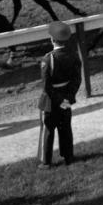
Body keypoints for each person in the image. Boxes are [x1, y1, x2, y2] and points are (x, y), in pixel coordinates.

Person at [37, 20, 81, 167]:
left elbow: (46, 85)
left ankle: (46, 161)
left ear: (52, 39)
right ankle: (68, 157)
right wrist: (68, 98)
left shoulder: (48, 59)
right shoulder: (73, 55)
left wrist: (58, 100)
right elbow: (77, 80)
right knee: (66, 128)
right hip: (67, 97)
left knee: (49, 130)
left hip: (52, 100)